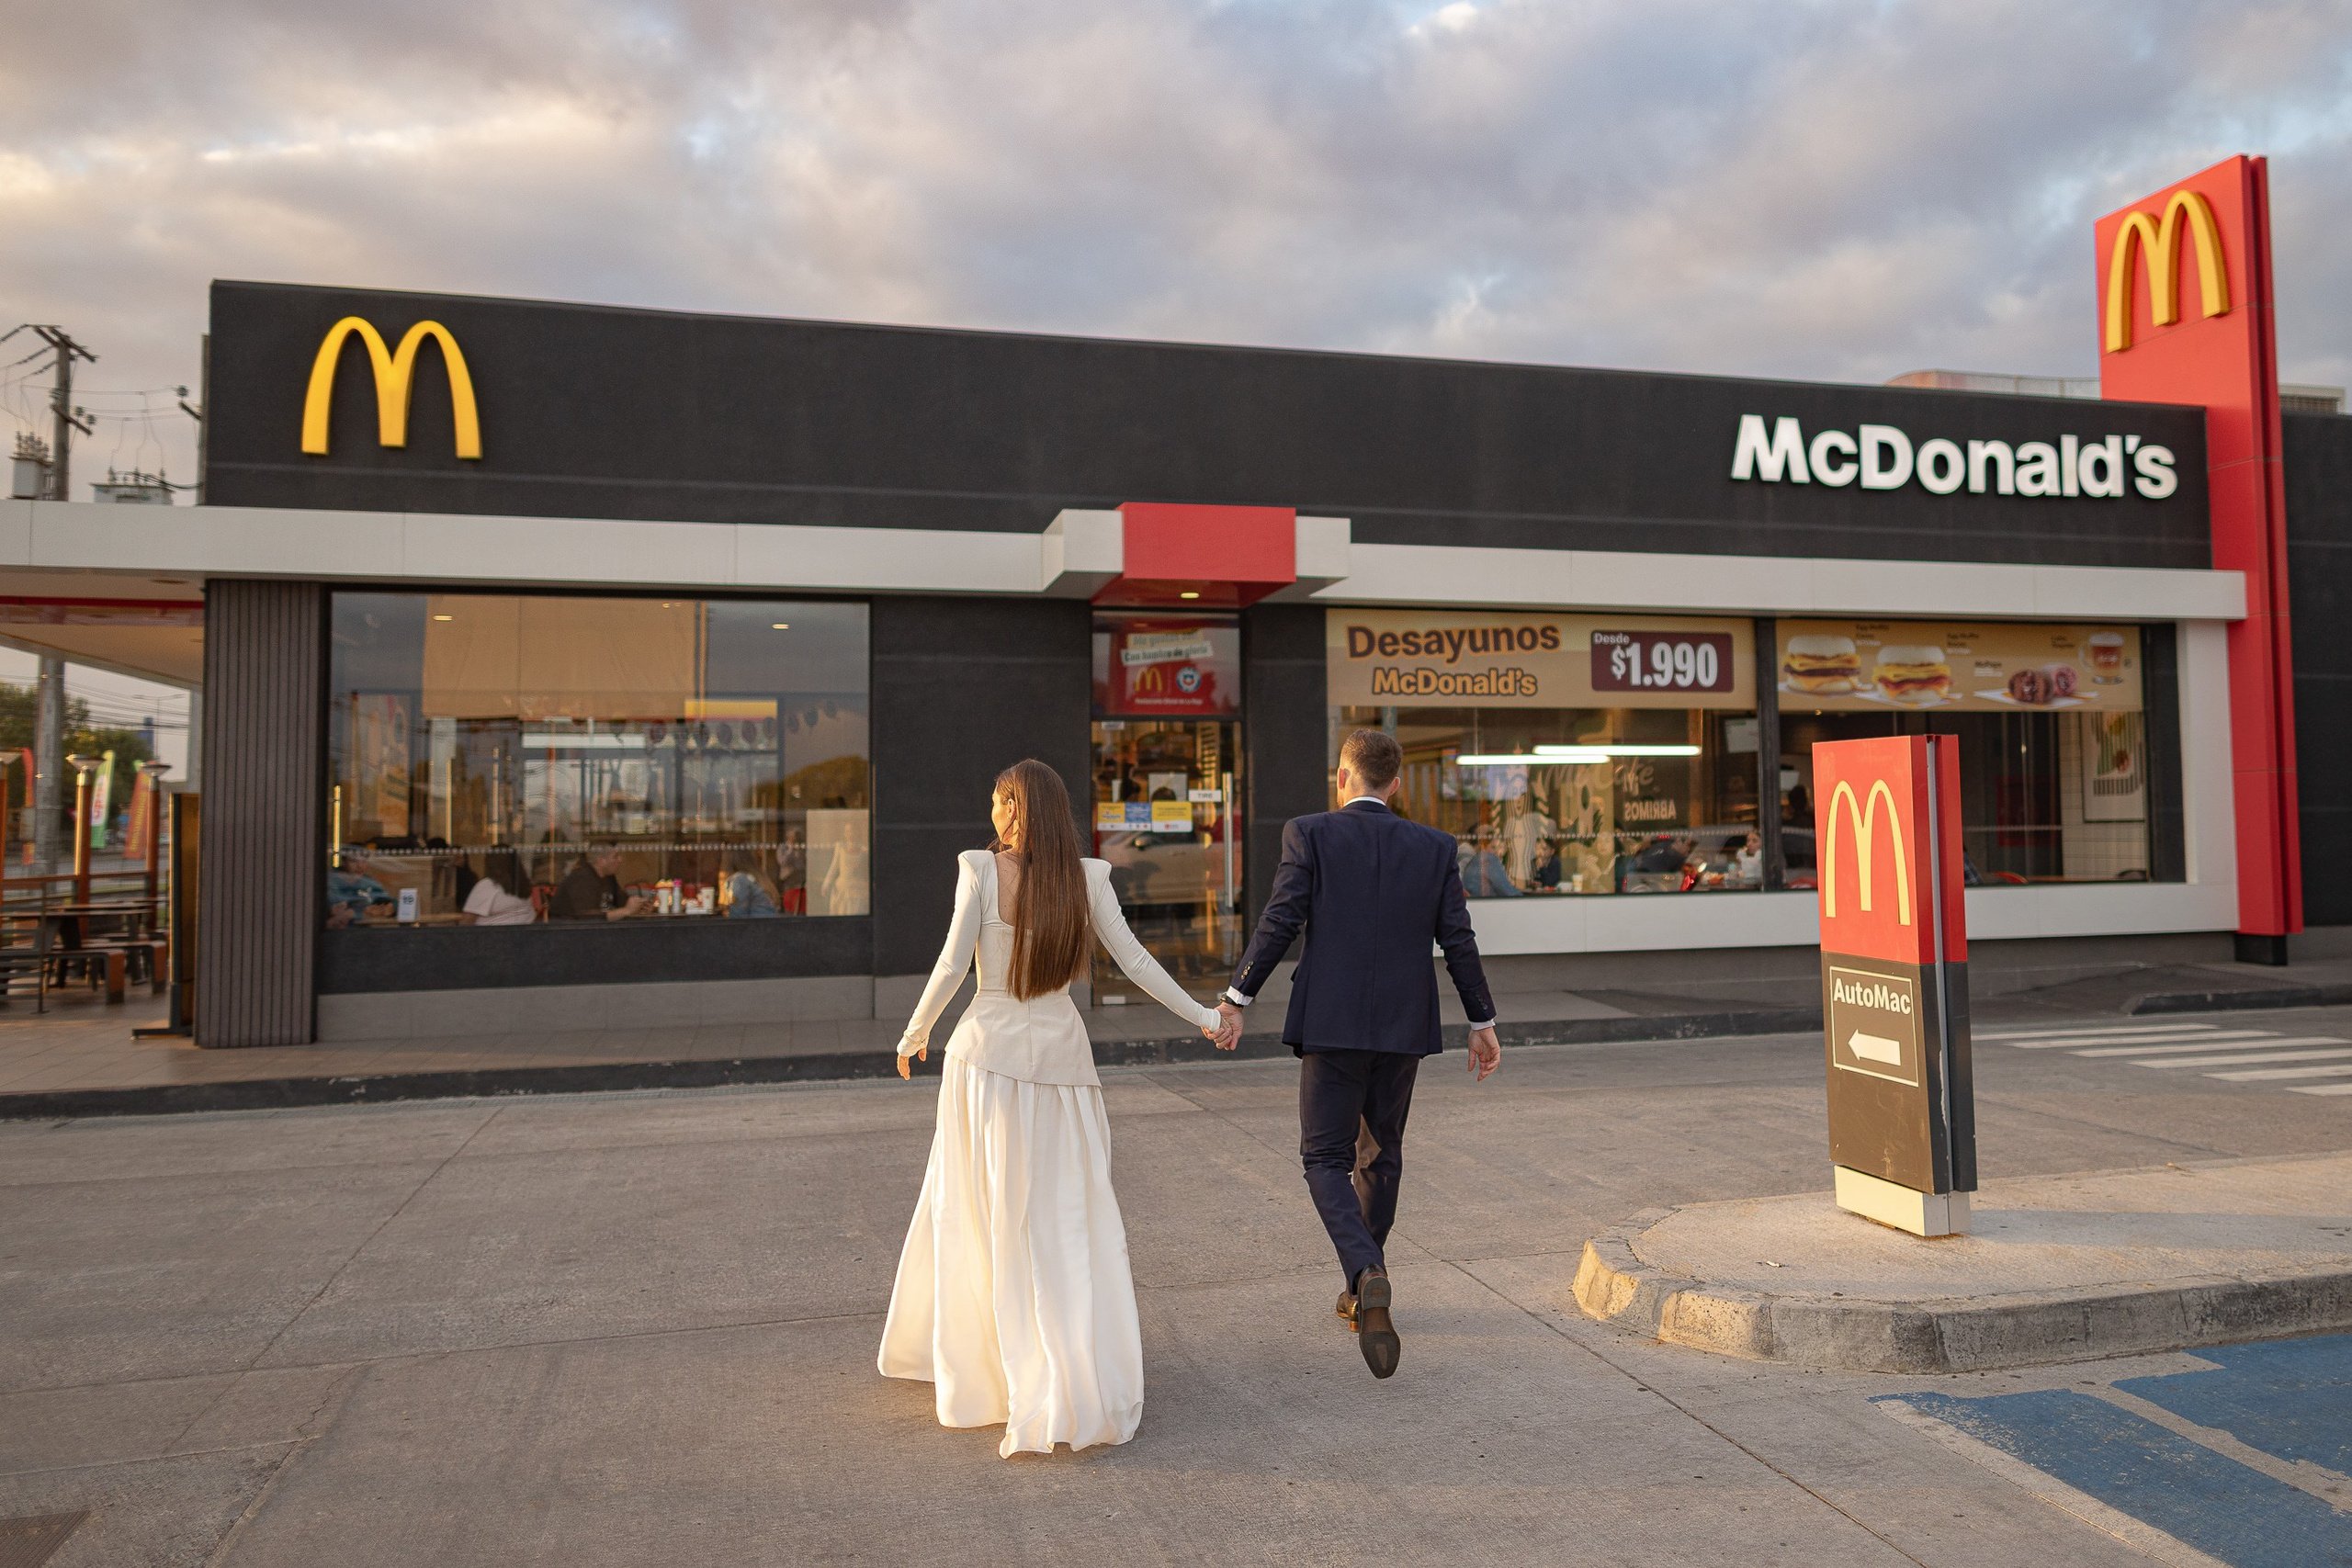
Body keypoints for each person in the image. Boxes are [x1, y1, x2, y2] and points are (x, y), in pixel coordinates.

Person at [879, 760, 1222, 1459]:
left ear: (1019, 807)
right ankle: (1067, 1364)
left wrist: (914, 1033)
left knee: (977, 1211)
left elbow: (951, 966)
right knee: (1066, 1219)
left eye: (1001, 798)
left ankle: (986, 1372)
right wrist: (1204, 1014)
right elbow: (1137, 964)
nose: (993, 808)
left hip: (984, 1059)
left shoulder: (978, 869)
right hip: (1064, 1065)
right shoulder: (1089, 878)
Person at [1215, 729, 1500, 1380]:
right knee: (1383, 1154)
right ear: (1394, 783)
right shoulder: (1433, 847)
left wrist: (1236, 995)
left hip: (1332, 1023)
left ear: (1341, 776)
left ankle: (1366, 1270)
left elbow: (1281, 918)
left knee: (1324, 1157)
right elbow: (1458, 938)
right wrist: (1481, 1020)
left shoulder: (1310, 833)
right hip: (1403, 1027)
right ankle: (1360, 1289)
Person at [548, 845, 649, 920]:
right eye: (615, 856)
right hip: (571, 936)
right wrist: (625, 911)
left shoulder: (609, 878)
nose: (620, 860)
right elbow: (588, 917)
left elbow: (622, 903)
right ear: (601, 861)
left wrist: (640, 906)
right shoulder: (581, 879)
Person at [459, 851, 537, 926]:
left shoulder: (487, 885)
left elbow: (466, 922)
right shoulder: (523, 885)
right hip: (524, 936)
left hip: (492, 936)